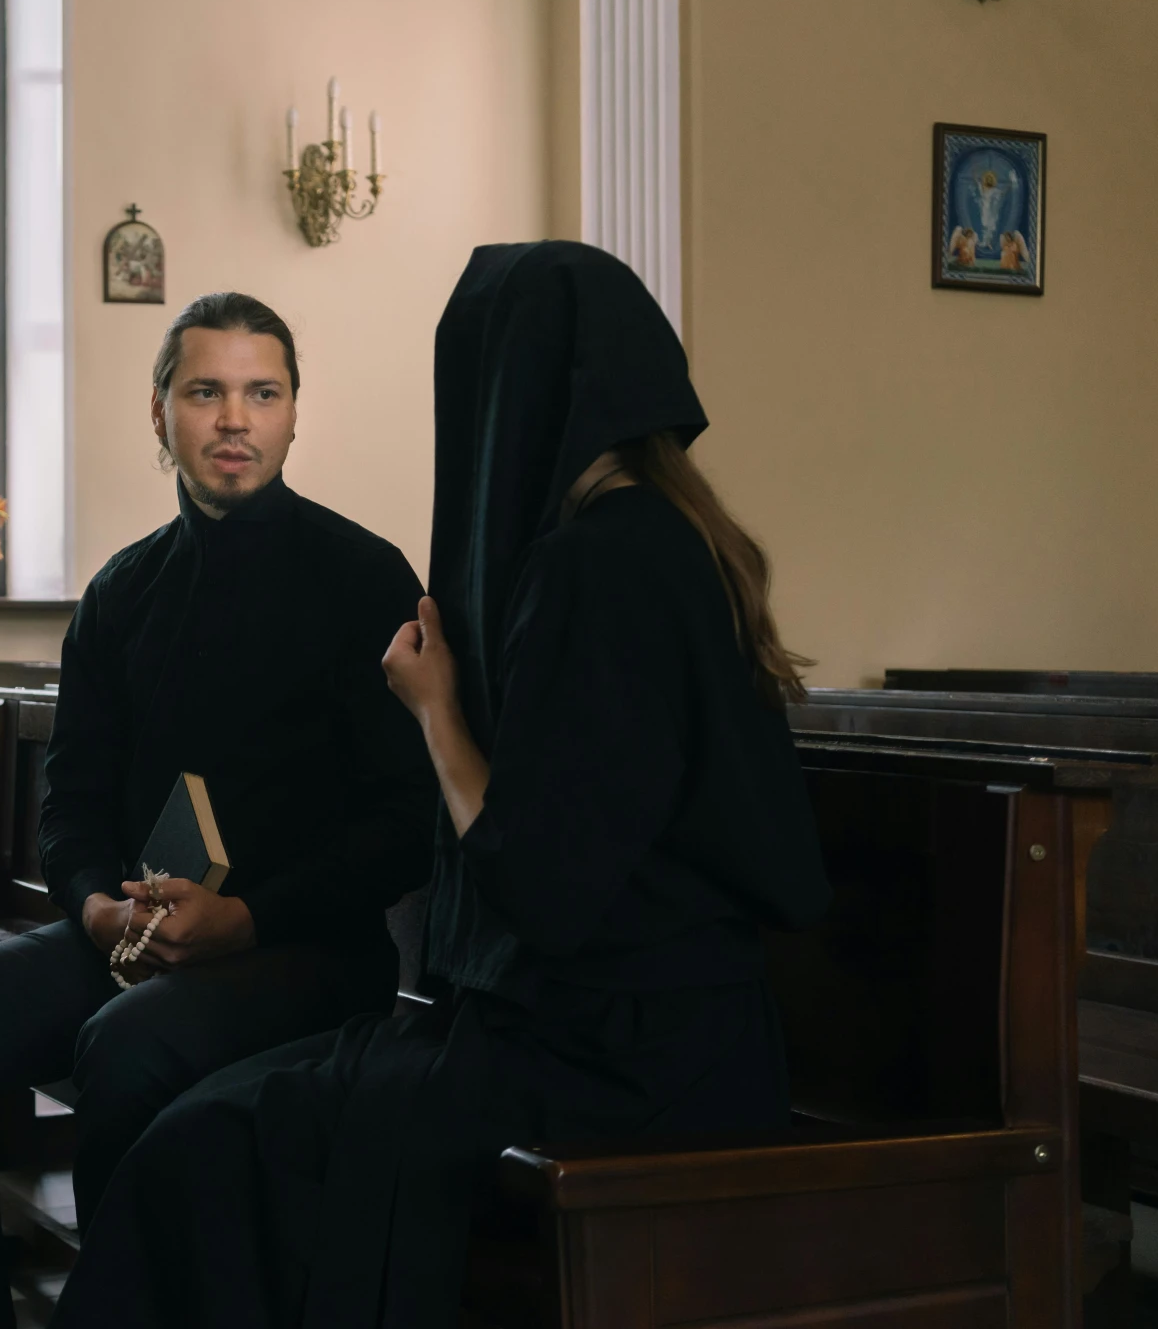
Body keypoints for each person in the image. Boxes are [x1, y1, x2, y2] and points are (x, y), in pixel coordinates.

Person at [53, 241, 834, 1329]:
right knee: (211, 1126)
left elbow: (537, 881)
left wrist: (434, 707)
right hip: (656, 1029)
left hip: (618, 1061)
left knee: (205, 1151)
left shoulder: (597, 564)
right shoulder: (666, 539)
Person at [0, 291, 438, 1329]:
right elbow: (67, 801)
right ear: (157, 411)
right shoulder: (121, 594)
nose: (234, 420)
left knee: (129, 1043)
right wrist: (93, 909)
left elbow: (402, 824)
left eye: (263, 393)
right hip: (136, 941)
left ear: (295, 414)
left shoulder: (362, 576)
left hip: (307, 953)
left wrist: (249, 916)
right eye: (205, 392)